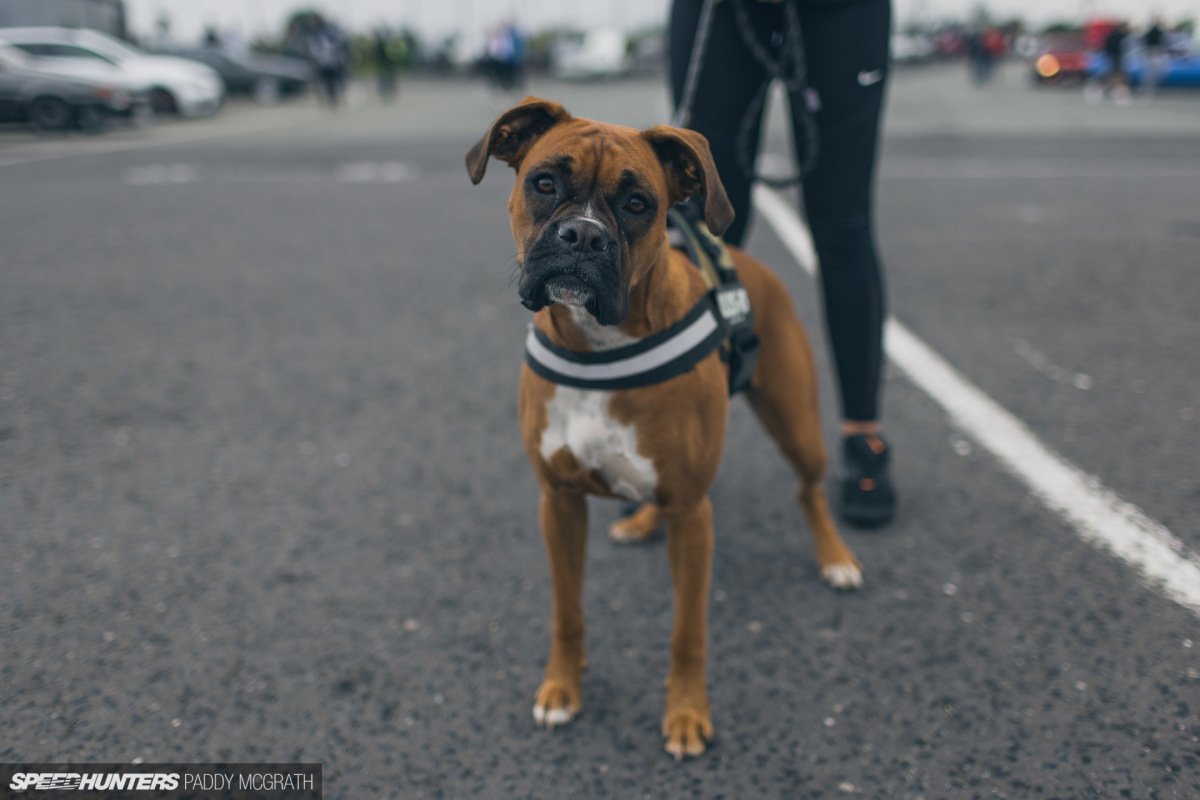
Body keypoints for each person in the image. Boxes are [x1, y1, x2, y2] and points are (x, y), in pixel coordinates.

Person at [669, 0, 896, 527]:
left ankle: (863, 436)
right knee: (705, 231)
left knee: (843, 226)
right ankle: (674, 437)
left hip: (842, 11)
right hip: (721, 10)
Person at [1142, 18, 1167, 97]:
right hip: (1155, 52)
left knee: (1150, 73)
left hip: (1151, 52)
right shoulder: (1158, 33)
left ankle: (1149, 89)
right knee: (1153, 73)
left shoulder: (1149, 33)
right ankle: (1151, 89)